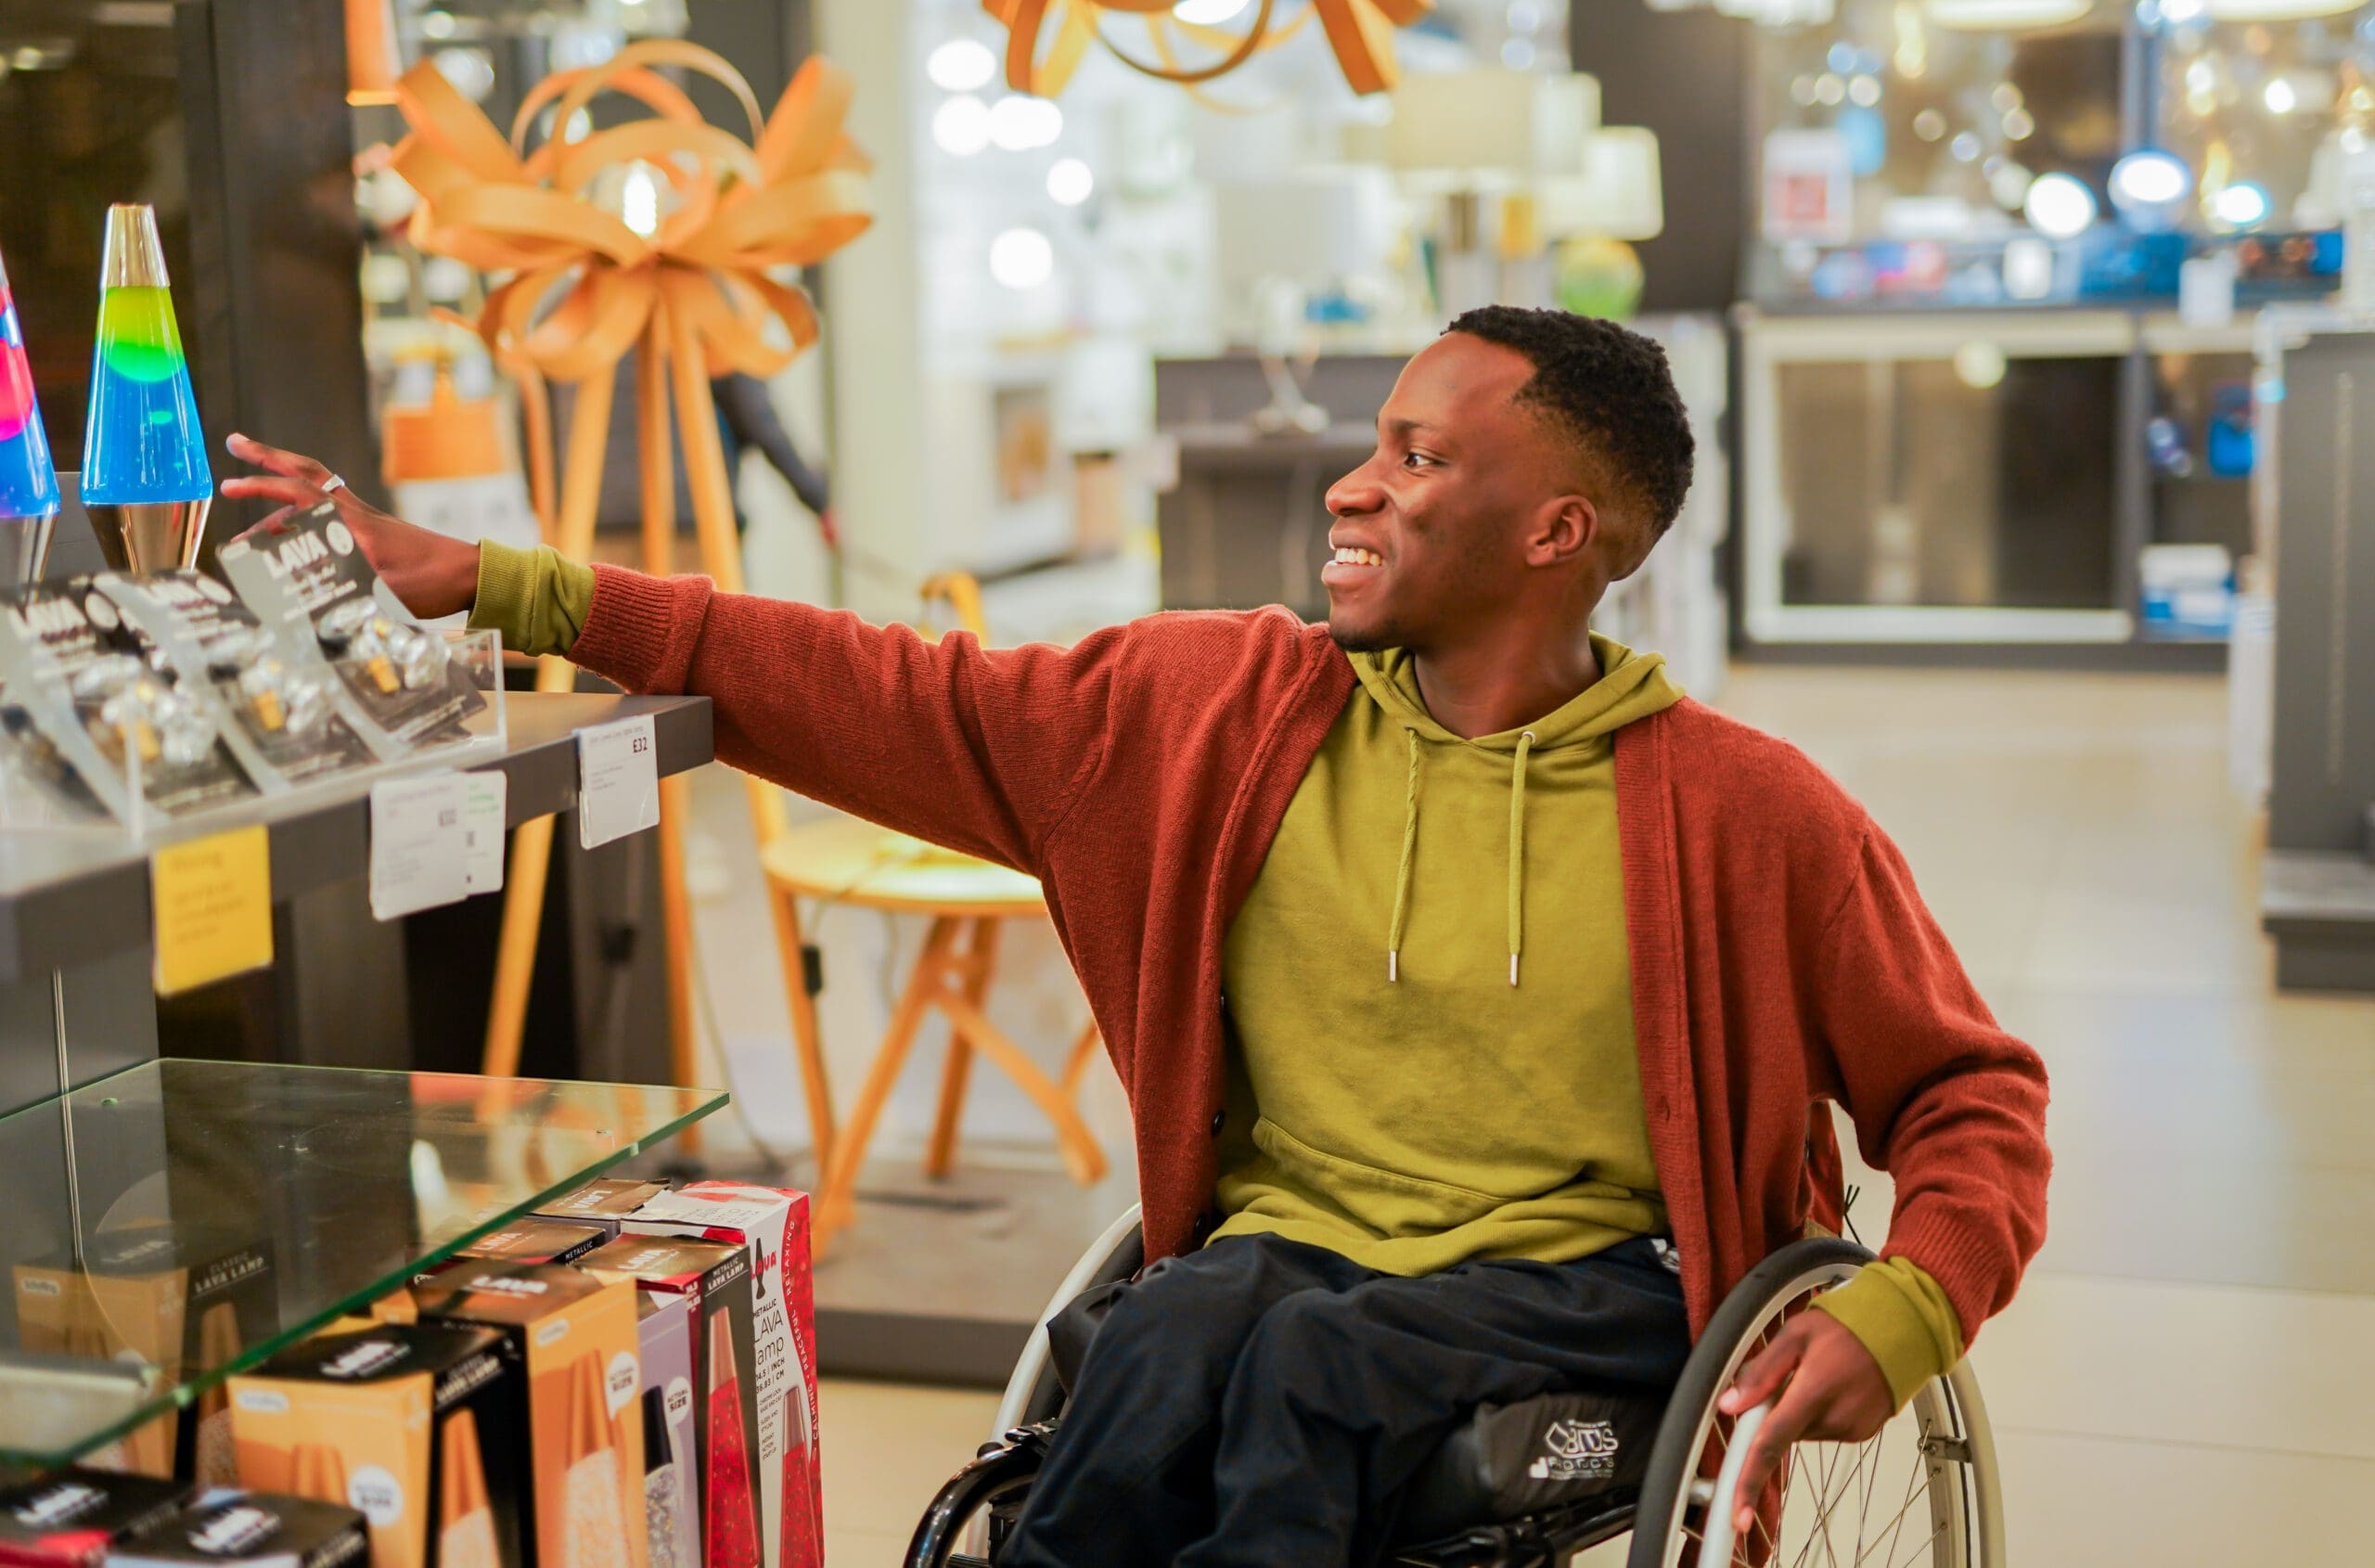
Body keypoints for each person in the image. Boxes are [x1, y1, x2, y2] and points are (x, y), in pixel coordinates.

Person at [222, 307, 2050, 1567]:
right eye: (1368, 442)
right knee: (1179, 1325)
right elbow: (869, 684)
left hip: (1600, 1271)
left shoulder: (1744, 810)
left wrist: (1904, 1299)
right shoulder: (1206, 711)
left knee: (1302, 1363)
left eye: (1412, 456)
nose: (1351, 485)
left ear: (1558, 530)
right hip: (1290, 1249)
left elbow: (1965, 1095)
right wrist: (509, 582)